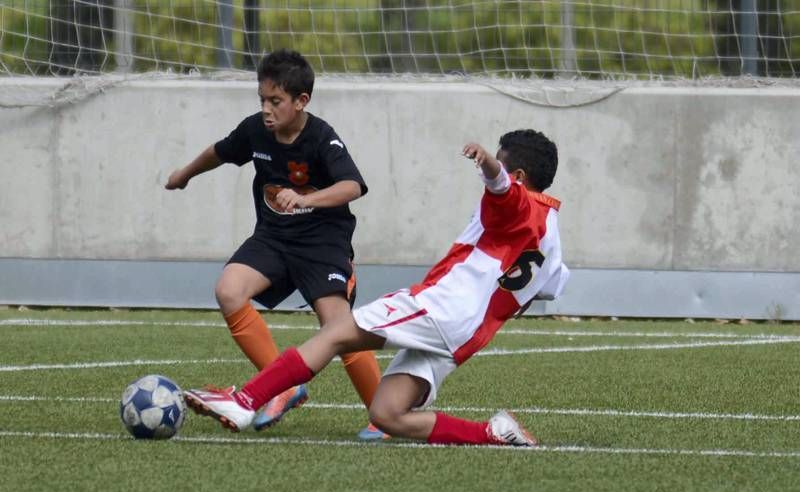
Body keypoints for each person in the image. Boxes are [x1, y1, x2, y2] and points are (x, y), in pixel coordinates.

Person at [184, 129, 569, 446]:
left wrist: (487, 162)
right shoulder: (551, 235)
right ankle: (493, 434)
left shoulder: (517, 203)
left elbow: (502, 187)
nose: (493, 170)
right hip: (468, 333)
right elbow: (546, 288)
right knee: (388, 414)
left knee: (336, 332)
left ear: (518, 175)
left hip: (442, 307)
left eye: (502, 162)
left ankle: (245, 401)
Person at [165, 49, 386, 440]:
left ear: (302, 102)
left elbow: (353, 185)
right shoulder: (255, 130)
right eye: (262, 100)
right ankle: (281, 386)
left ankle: (384, 416)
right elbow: (219, 152)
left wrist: (305, 199)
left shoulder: (321, 137)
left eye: (276, 101)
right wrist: (184, 174)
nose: (267, 109)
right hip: (272, 238)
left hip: (322, 244)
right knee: (229, 290)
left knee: (339, 327)